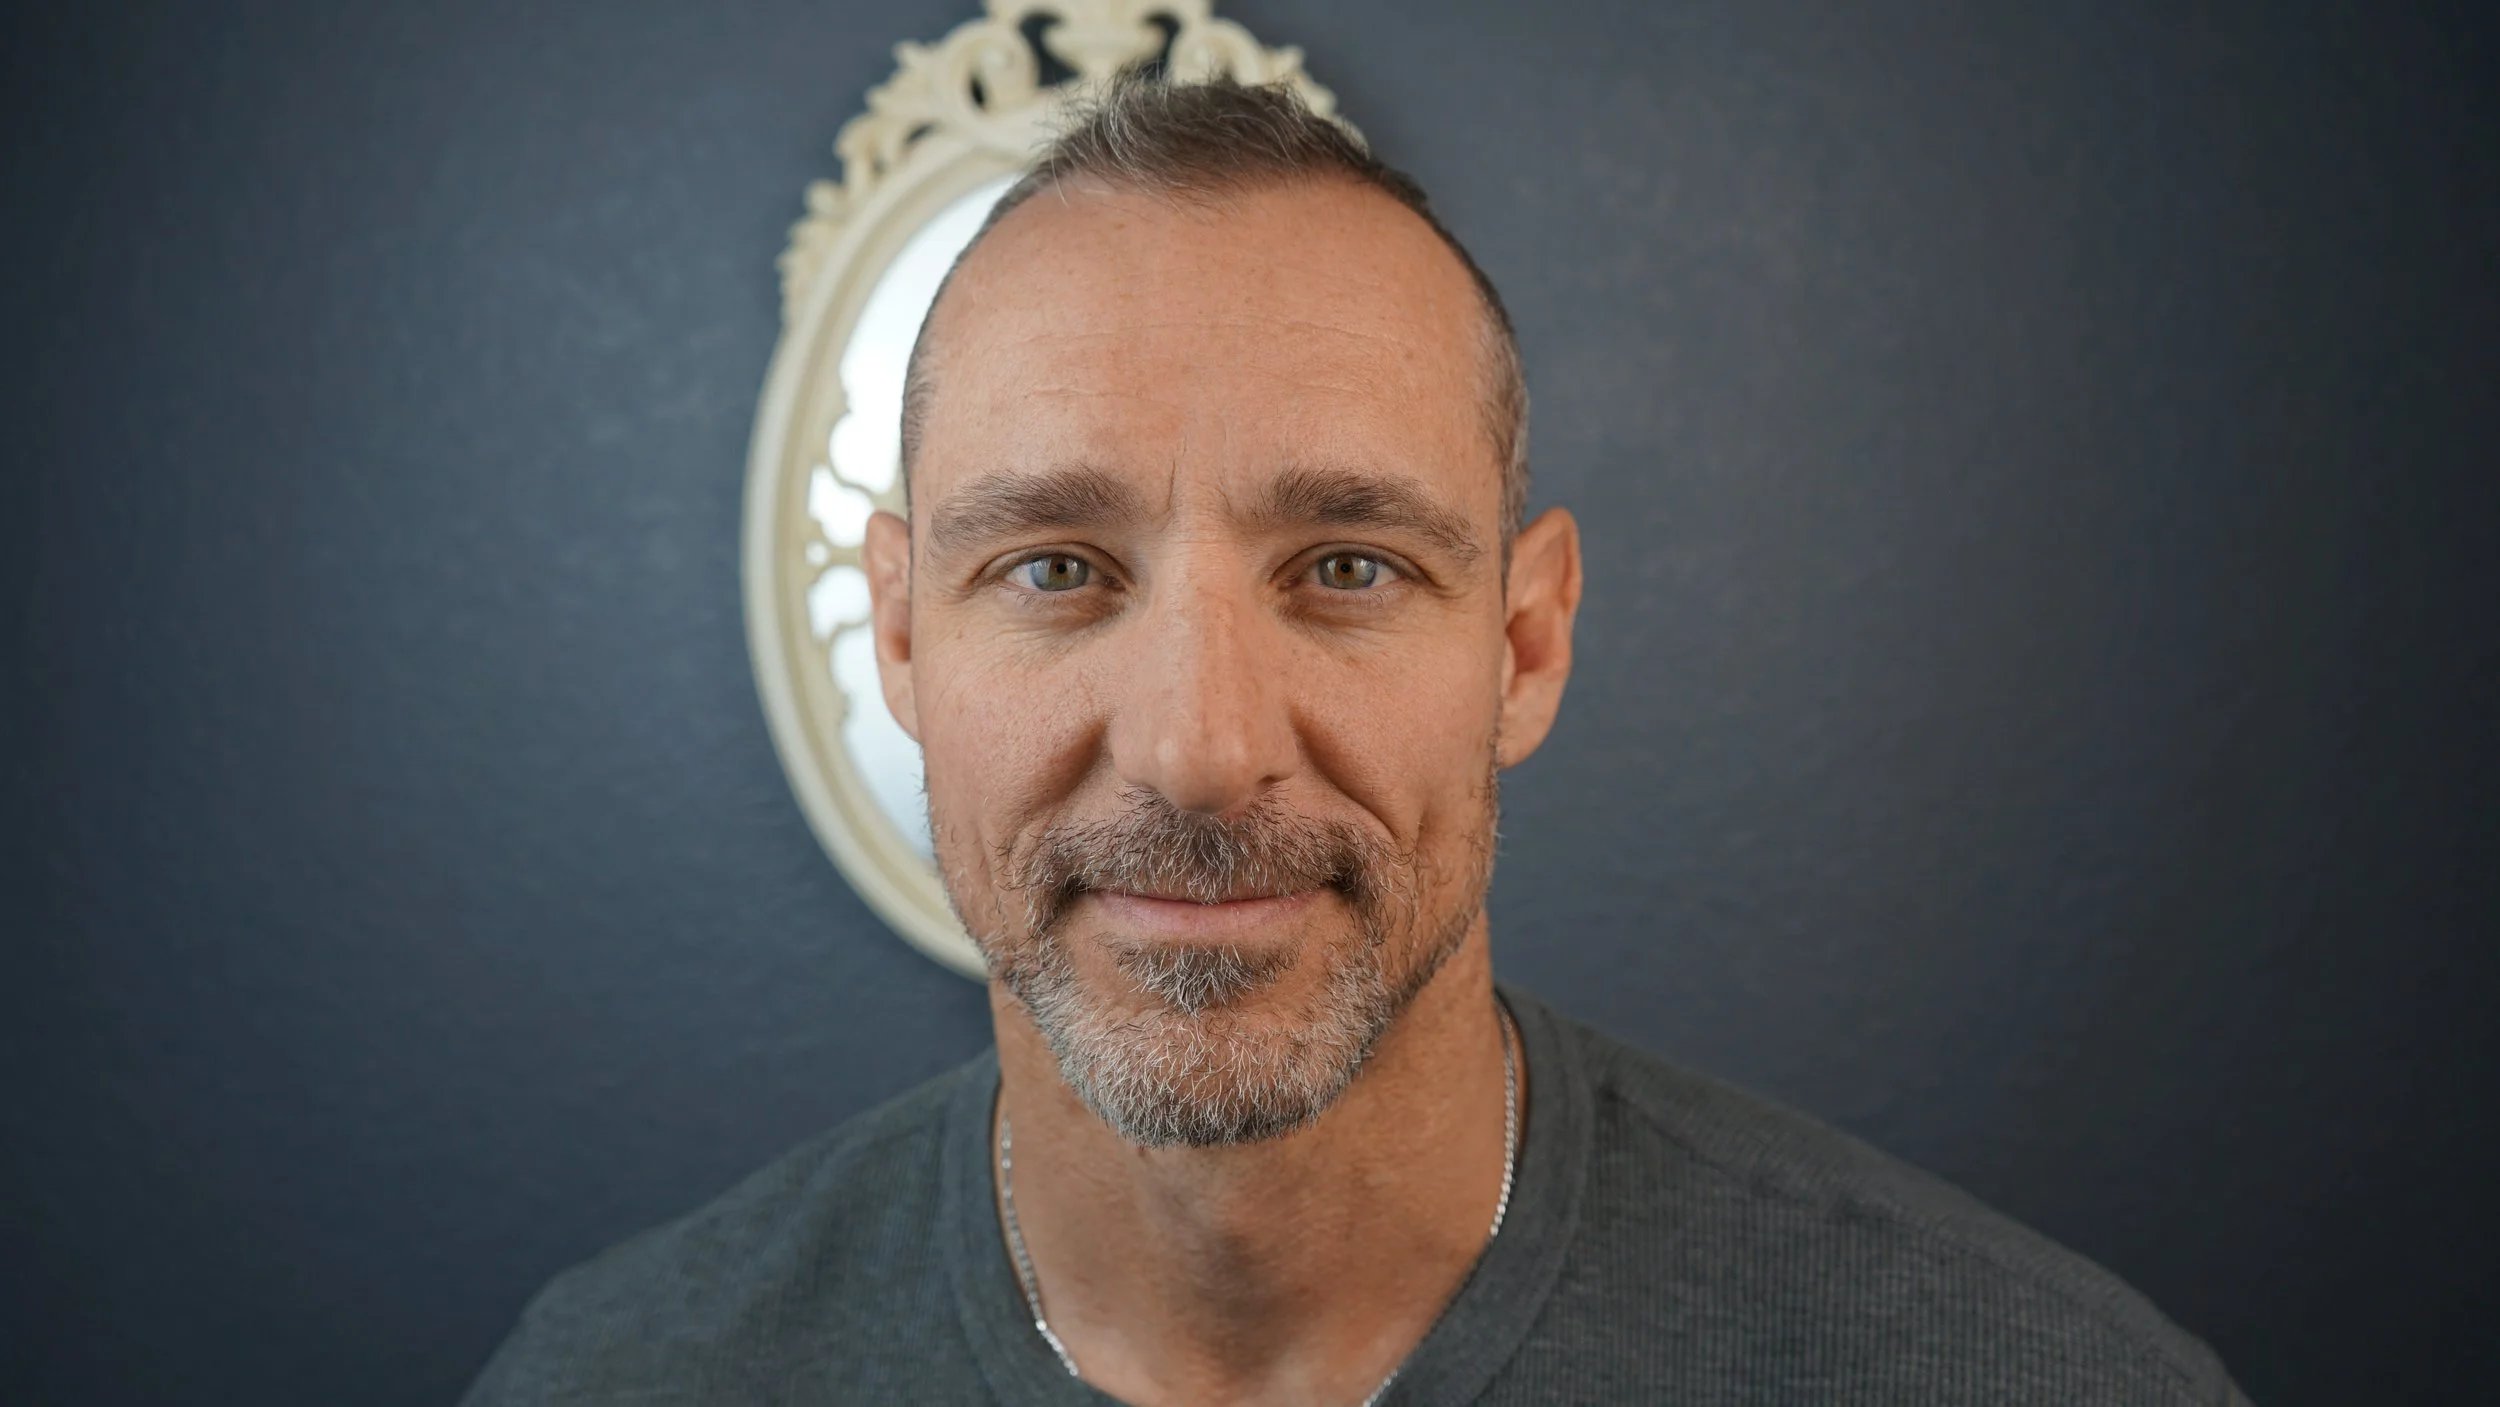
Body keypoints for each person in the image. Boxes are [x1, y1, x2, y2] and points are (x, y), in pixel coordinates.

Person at [464, 75, 2248, 1406]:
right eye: (1060, 567)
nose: (1199, 746)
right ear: (910, 634)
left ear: (1525, 644)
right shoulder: (614, 1379)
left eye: (1345, 565)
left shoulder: (2020, 1379)